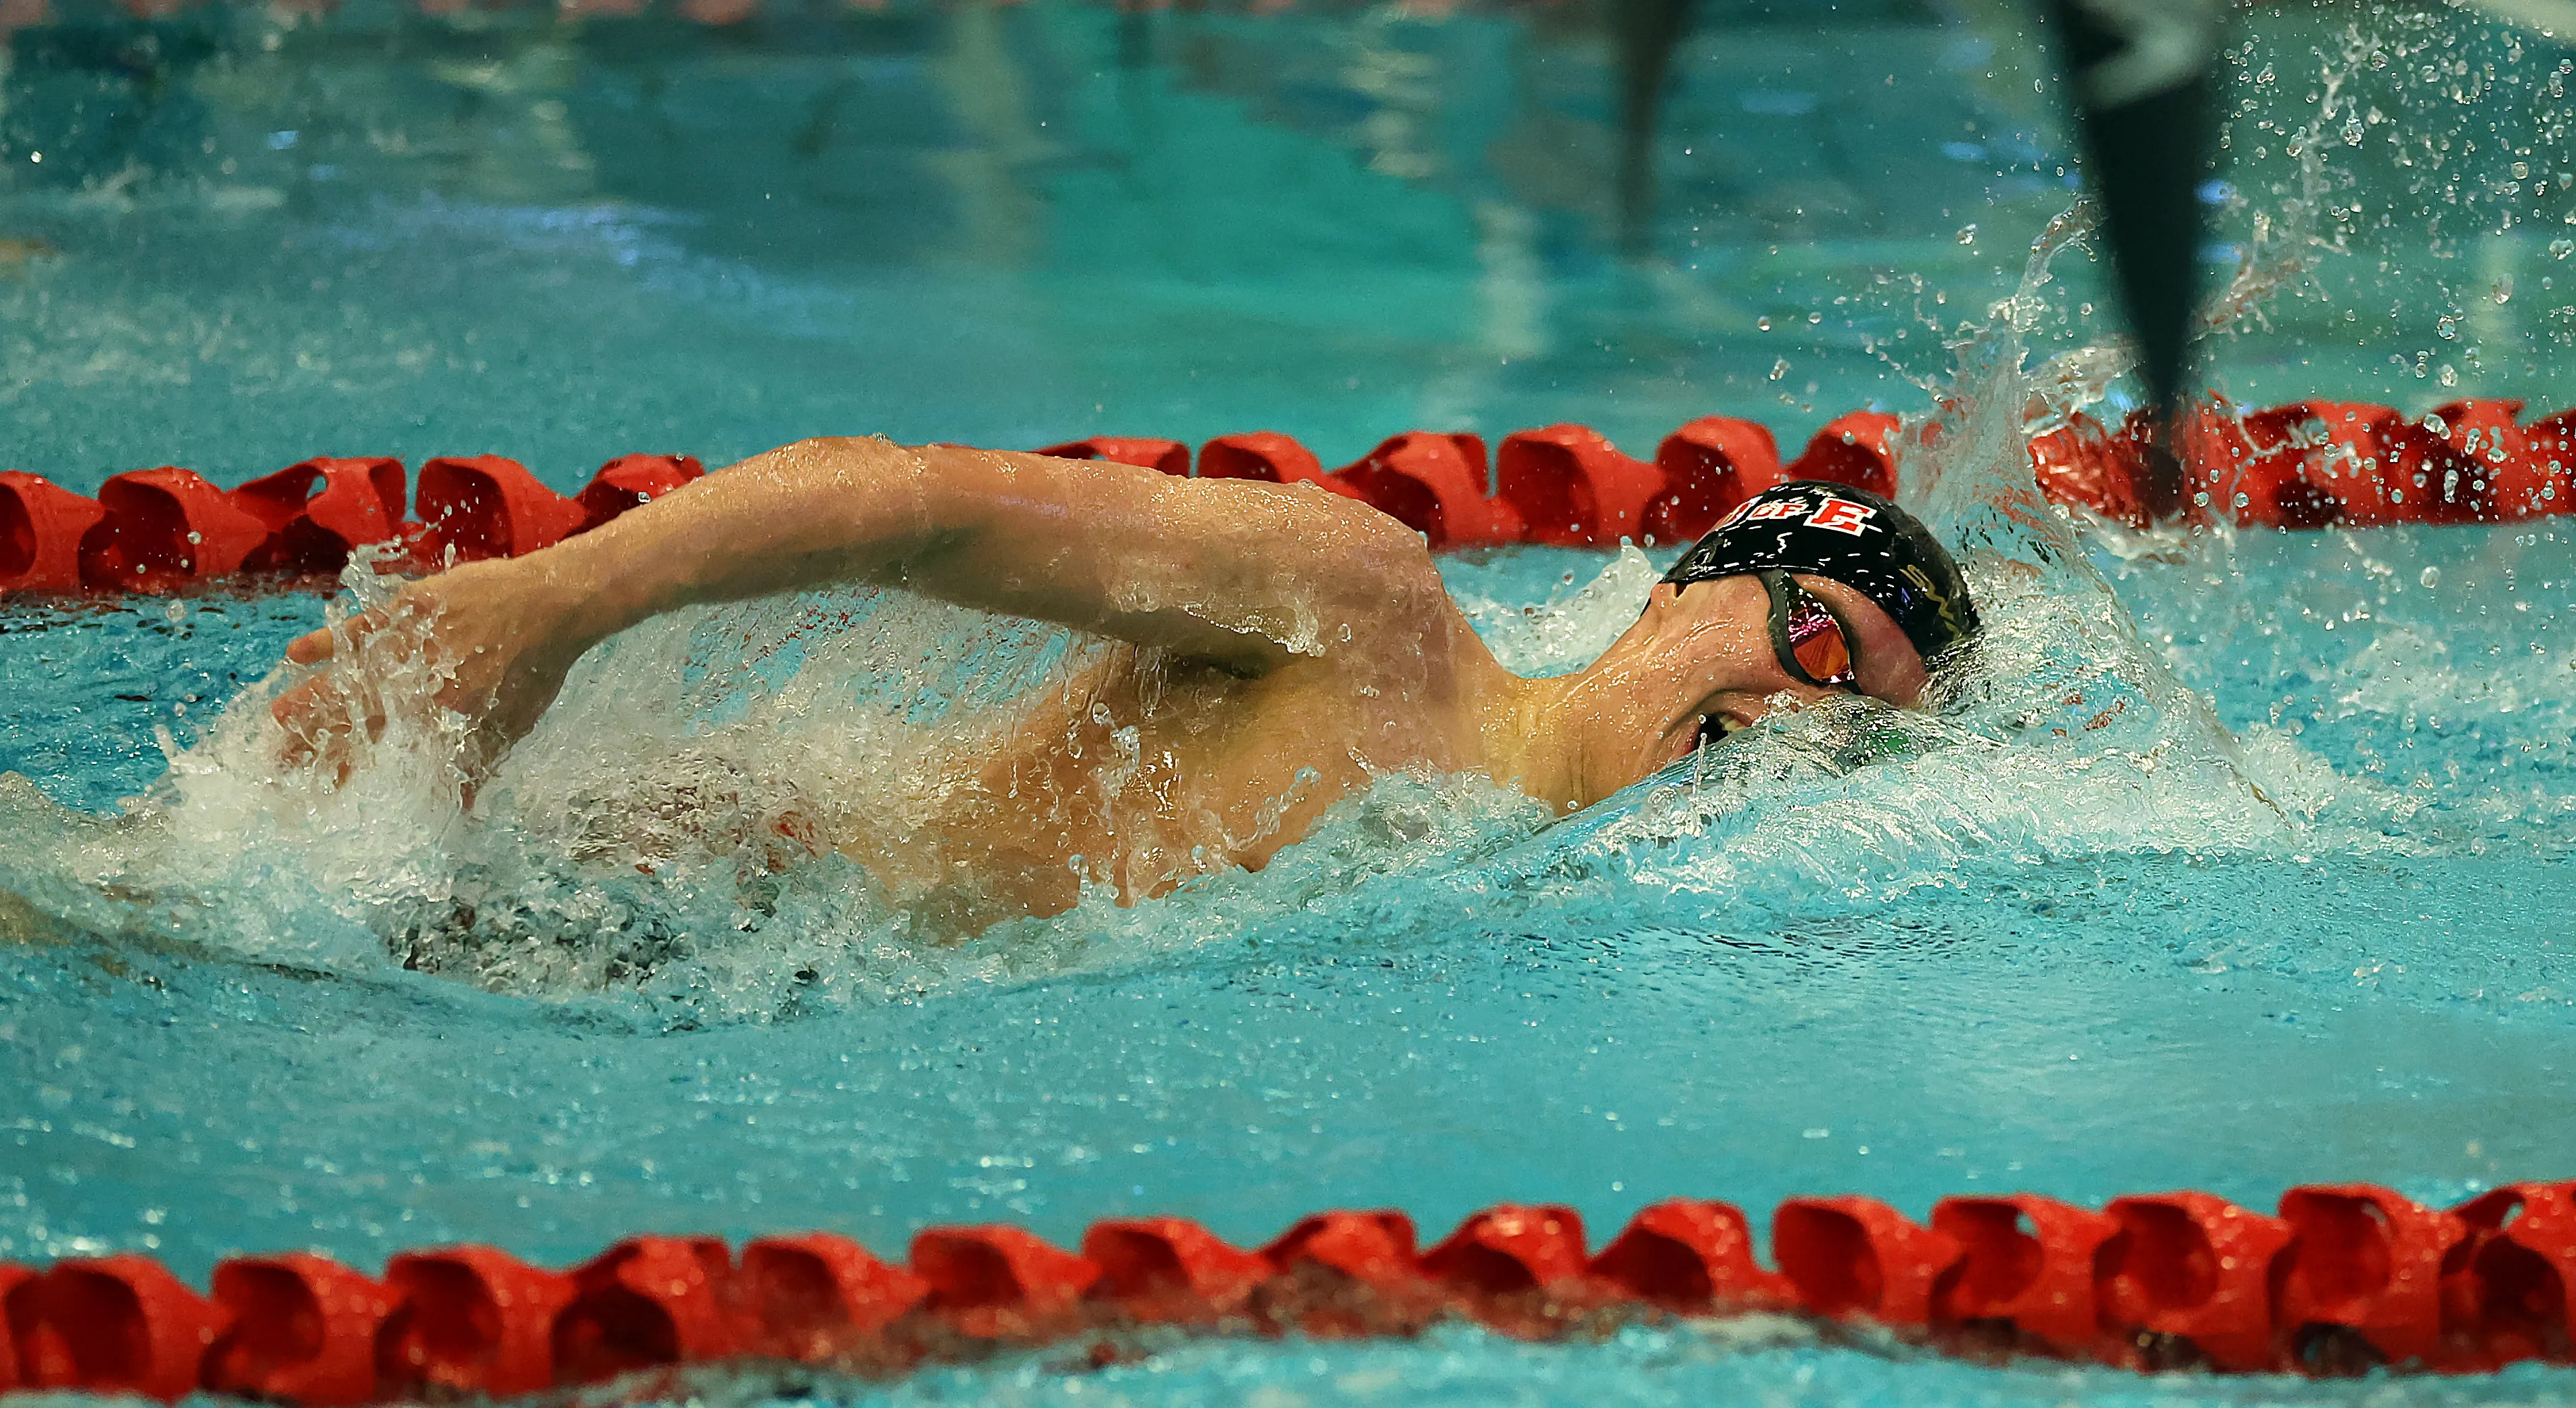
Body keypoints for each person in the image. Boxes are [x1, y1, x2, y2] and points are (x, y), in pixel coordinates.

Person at [273, 439, 1979, 928]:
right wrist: (550, 607)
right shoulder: (1368, 613)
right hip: (639, 899)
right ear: (1692, 587)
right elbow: (928, 510)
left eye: (1856, 721)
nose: (1797, 721)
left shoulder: (1533, 897)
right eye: (1817, 644)